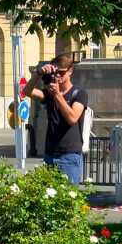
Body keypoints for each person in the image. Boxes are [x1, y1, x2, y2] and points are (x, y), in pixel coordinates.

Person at [23, 54, 87, 184]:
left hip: (69, 155)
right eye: (55, 72)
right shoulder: (49, 93)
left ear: (70, 70)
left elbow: (72, 118)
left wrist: (58, 95)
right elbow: (27, 91)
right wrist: (38, 73)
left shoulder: (79, 94)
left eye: (61, 73)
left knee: (68, 199)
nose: (57, 76)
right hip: (50, 153)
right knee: (50, 200)